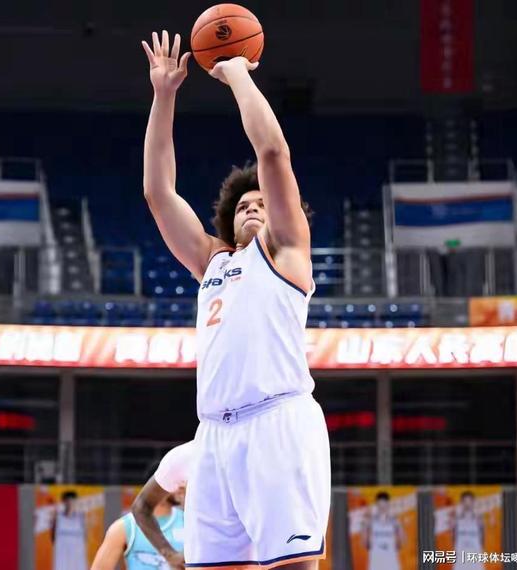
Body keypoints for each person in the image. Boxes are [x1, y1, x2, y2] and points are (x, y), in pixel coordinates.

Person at [141, 29, 331, 568]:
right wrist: (164, 96)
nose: (251, 208)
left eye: (261, 203)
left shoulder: (288, 251)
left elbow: (272, 151)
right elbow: (158, 193)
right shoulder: (213, 262)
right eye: (243, 205)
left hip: (278, 422)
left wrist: (238, 75)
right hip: (214, 437)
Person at [91, 441, 194, 570]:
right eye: (176, 483)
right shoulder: (125, 527)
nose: (180, 487)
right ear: (159, 487)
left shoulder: (189, 521)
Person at [364, 492, 403, 570]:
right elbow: (366, 544)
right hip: (376, 562)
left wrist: (399, 528)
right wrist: (365, 526)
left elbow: (401, 543)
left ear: (388, 505)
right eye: (380, 506)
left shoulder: (394, 521)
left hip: (391, 562)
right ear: (376, 505)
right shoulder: (370, 522)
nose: (382, 508)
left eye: (384, 506)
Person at [51, 490, 88, 570]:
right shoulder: (58, 518)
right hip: (62, 557)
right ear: (64, 502)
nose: (70, 503)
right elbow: (53, 538)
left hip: (77, 557)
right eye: (68, 500)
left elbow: (85, 537)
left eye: (72, 500)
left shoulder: (81, 517)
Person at [452, 491, 484, 570]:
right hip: (460, 557)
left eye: (470, 501)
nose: (467, 504)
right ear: (461, 503)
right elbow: (454, 538)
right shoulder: (456, 520)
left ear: (473, 503)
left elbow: (482, 539)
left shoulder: (479, 520)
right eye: (465, 501)